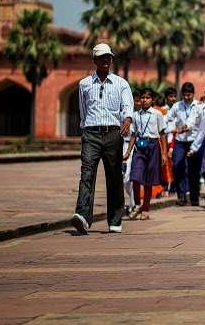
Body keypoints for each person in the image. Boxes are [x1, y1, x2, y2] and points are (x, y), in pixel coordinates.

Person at [71, 43, 134, 235]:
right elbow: (83, 110)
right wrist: (85, 129)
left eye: (109, 57)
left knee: (114, 176)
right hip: (91, 133)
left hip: (113, 133)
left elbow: (128, 106)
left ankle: (115, 220)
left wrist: (128, 119)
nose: (106, 60)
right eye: (102, 57)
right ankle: (82, 216)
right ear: (95, 61)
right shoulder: (84, 84)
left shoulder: (121, 83)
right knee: (87, 174)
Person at [124, 88, 168, 220]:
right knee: (135, 177)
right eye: (142, 98)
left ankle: (146, 208)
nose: (144, 100)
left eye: (147, 98)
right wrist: (128, 152)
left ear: (152, 100)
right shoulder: (135, 115)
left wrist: (164, 154)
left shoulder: (157, 114)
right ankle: (137, 204)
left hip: (153, 146)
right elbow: (133, 134)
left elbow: (162, 134)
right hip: (139, 148)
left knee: (148, 180)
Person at [166, 82, 200, 205]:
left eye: (189, 95)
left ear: (193, 94)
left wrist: (182, 128)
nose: (186, 98)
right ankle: (181, 196)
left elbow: (191, 122)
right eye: (184, 95)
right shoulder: (177, 106)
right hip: (180, 141)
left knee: (193, 170)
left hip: (193, 140)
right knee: (177, 166)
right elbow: (167, 118)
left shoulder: (198, 106)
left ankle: (194, 197)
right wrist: (161, 126)